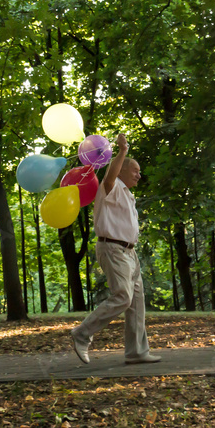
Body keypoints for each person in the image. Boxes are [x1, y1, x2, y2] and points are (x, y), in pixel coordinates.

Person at [71, 133, 161, 365]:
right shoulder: (111, 186)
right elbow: (110, 176)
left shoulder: (128, 194)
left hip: (130, 254)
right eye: (135, 170)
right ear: (121, 170)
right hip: (113, 250)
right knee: (123, 297)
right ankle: (82, 333)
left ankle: (136, 352)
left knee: (136, 303)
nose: (139, 175)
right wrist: (122, 151)